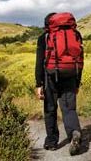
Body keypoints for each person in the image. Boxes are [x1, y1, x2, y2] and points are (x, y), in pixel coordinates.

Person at [35, 12, 85, 155]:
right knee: (69, 108)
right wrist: (77, 83)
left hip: (50, 76)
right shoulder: (75, 34)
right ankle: (74, 132)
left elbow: (39, 62)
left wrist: (39, 84)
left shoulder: (44, 38)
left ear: (47, 25)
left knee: (50, 108)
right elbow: (80, 60)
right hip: (70, 74)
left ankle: (51, 142)